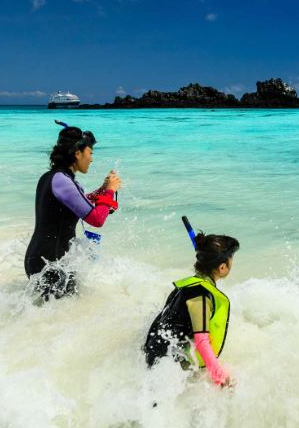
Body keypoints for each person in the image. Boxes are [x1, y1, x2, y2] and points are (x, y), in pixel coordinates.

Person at [24, 124, 121, 301]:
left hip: (47, 260)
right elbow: (97, 219)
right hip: (50, 263)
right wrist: (109, 191)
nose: (91, 159)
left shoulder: (53, 177)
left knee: (55, 313)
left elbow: (78, 203)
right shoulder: (62, 180)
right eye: (90, 153)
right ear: (78, 153)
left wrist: (103, 189)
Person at [144, 233, 240, 387]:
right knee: (230, 384)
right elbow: (202, 342)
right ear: (222, 267)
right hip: (163, 367)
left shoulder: (188, 285)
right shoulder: (200, 296)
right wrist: (221, 379)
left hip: (154, 352)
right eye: (231, 259)